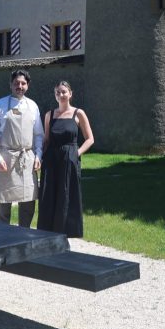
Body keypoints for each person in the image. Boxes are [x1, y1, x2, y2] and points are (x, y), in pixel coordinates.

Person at [0, 69, 43, 226]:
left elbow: (38, 134)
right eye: (16, 83)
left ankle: (23, 236)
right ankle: (3, 238)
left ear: (28, 85)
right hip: (7, 158)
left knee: (28, 203)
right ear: (10, 85)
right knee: (4, 204)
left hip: (27, 159)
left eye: (23, 83)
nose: (20, 86)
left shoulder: (33, 106)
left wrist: (39, 155)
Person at [37, 80, 94, 238]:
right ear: (55, 95)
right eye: (58, 92)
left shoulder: (79, 113)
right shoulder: (49, 114)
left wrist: (77, 153)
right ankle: (48, 231)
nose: (61, 95)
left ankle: (67, 231)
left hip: (69, 158)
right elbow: (46, 139)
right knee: (49, 193)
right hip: (51, 160)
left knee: (67, 192)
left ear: (70, 93)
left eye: (63, 92)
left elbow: (90, 139)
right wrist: (39, 157)